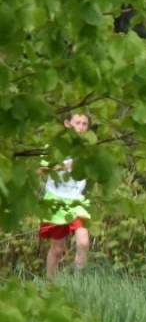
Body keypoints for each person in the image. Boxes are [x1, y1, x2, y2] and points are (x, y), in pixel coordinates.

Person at [39, 113, 92, 278]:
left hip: (77, 201)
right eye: (78, 123)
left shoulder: (88, 148)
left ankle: (79, 283)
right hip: (55, 201)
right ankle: (49, 283)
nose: (81, 127)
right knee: (57, 249)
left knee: (83, 242)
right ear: (67, 124)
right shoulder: (54, 147)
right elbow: (40, 170)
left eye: (85, 124)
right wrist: (65, 165)